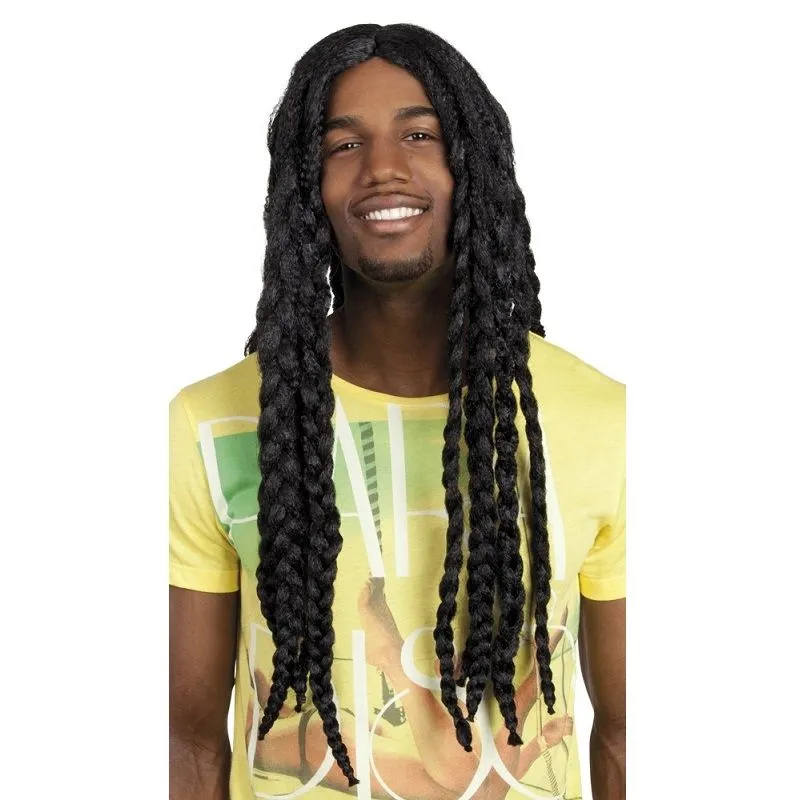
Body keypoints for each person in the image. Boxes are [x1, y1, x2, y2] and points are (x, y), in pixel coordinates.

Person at [169, 22, 625, 800]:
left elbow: (623, 735)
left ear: (472, 165)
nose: (382, 167)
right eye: (344, 145)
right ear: (306, 190)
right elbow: (190, 743)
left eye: (419, 134)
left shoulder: (602, 418)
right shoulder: (211, 423)